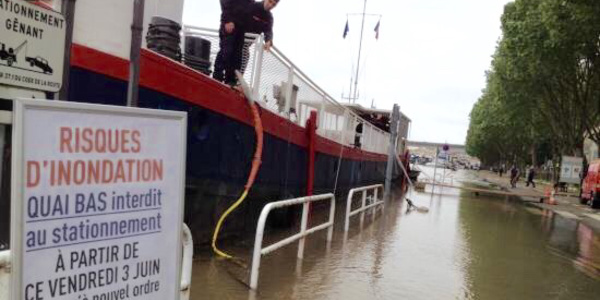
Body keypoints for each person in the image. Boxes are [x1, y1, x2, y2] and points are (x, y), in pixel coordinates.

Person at [213, 0, 278, 86]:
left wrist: (268, 40)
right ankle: (217, 77)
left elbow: (268, 30)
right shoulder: (253, 6)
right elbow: (233, 9)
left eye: (273, 5)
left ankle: (232, 81)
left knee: (239, 59)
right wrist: (228, 20)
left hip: (243, 39)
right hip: (234, 30)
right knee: (227, 51)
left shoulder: (268, 17)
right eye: (270, 2)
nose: (270, 5)